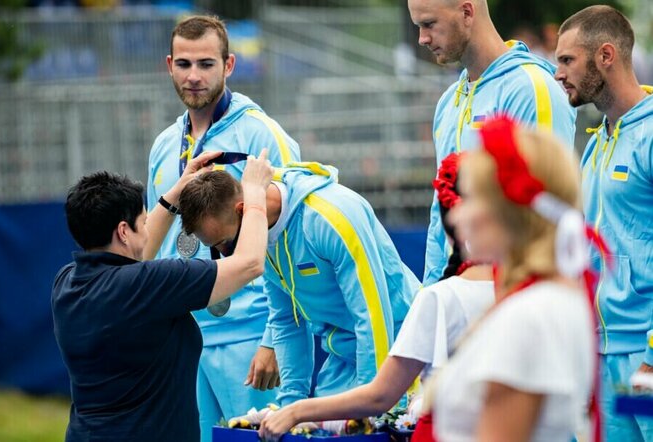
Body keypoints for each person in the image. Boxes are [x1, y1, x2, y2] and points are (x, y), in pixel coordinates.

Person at [256, 153, 494, 442]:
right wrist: (292, 408)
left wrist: (297, 411)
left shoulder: (438, 300)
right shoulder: (533, 293)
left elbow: (380, 396)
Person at [145, 15, 301, 441]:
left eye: (206, 64)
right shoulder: (163, 145)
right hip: (185, 337)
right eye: (184, 63)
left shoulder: (262, 134)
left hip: (250, 332)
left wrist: (273, 339)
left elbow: (291, 236)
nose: (194, 76)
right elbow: (154, 245)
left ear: (229, 65)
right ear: (169, 65)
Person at [52, 151, 274, 442]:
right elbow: (250, 263)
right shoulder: (147, 284)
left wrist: (174, 194)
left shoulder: (66, 283)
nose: (147, 231)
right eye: (142, 224)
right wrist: (255, 193)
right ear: (123, 231)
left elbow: (137, 254)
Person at [178, 162, 420, 408]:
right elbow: (286, 318)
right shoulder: (261, 232)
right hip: (344, 358)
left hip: (403, 352)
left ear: (244, 210)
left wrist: (373, 406)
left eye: (226, 244)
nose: (227, 255)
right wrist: (289, 406)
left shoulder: (329, 219)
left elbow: (372, 316)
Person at [426, 116, 597, 441]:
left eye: (473, 198)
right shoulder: (551, 297)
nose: (458, 213)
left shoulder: (529, 317)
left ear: (511, 211)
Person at [407, 0, 577, 285]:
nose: (422, 38)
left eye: (429, 24)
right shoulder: (449, 101)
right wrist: (431, 292)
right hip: (460, 299)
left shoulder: (531, 88)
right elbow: (441, 214)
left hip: (512, 300)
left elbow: (546, 217)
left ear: (466, 12)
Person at [554, 6, 653, 440]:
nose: (558, 73)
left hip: (644, 361)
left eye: (567, 60)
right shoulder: (597, 143)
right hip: (603, 360)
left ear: (606, 56)